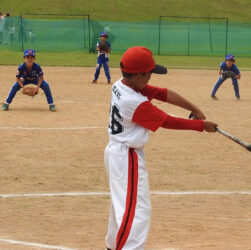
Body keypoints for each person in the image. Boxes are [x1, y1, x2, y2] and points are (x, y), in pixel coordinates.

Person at [104, 46, 217, 250]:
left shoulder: (122, 85)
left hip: (118, 153)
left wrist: (194, 109)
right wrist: (202, 126)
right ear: (138, 75)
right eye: (148, 74)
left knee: (122, 209)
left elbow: (162, 93)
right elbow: (166, 121)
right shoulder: (134, 101)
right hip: (126, 157)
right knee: (136, 212)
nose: (150, 78)